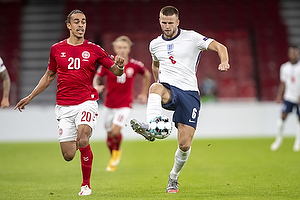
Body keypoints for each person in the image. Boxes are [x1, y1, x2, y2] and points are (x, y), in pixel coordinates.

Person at [14, 9, 125, 196]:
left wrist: (120, 65)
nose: (81, 25)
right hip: (64, 107)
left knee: (83, 138)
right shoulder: (56, 49)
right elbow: (49, 76)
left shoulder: (95, 49)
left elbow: (116, 71)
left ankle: (86, 185)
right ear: (69, 25)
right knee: (68, 155)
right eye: (77, 22)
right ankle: (78, 140)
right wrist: (30, 96)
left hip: (86, 102)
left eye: (83, 21)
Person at [130, 6, 230, 193]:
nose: (167, 26)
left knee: (184, 144)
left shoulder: (192, 37)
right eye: (163, 22)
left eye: (170, 23)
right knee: (155, 87)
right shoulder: (154, 44)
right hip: (169, 88)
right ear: (159, 21)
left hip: (190, 93)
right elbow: (155, 64)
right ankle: (152, 127)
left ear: (177, 22)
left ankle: (173, 177)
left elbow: (219, 46)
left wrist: (223, 60)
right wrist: (159, 81)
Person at [93, 36, 151, 171]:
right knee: (109, 134)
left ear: (129, 49)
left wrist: (143, 93)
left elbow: (147, 75)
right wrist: (96, 86)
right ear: (114, 48)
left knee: (114, 131)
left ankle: (117, 151)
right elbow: (97, 77)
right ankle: (113, 156)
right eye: (119, 47)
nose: (122, 50)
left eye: (125, 47)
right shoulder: (109, 65)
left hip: (124, 105)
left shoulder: (135, 65)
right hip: (109, 105)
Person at [271, 45, 300, 152]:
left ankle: (298, 142)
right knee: (282, 118)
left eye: (295, 52)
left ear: (298, 53)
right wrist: (279, 96)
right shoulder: (284, 67)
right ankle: (278, 140)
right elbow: (283, 83)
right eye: (291, 52)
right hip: (289, 96)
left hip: (299, 97)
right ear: (288, 54)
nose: (293, 54)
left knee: (299, 120)